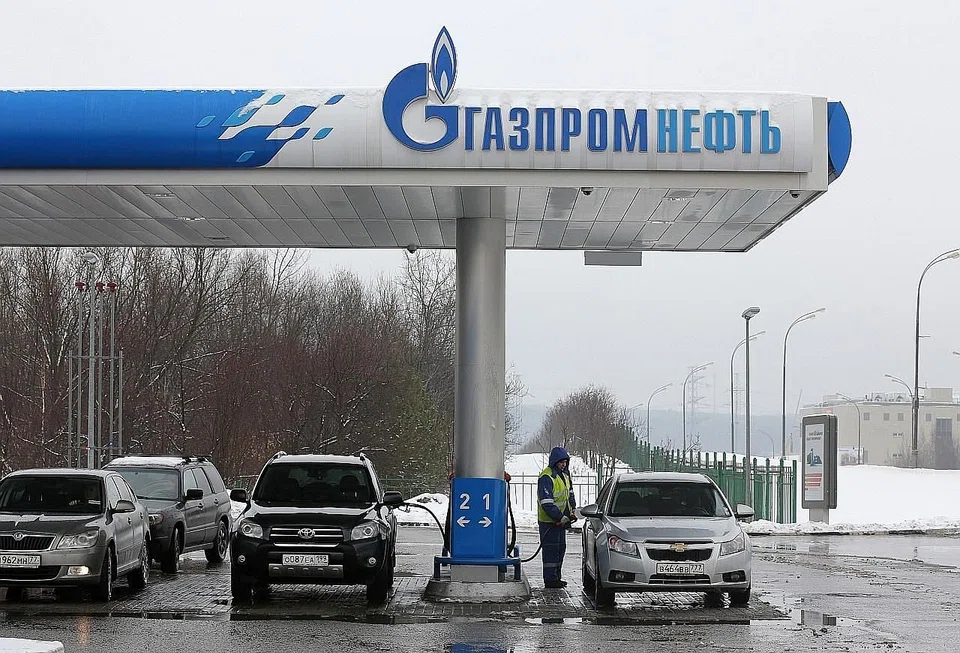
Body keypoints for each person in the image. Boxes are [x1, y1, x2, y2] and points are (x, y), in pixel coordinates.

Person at [537, 447, 577, 588]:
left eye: (565, 462)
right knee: (551, 551)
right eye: (561, 462)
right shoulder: (547, 477)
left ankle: (556, 577)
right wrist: (560, 517)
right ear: (555, 462)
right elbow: (546, 503)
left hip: (560, 522)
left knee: (560, 549)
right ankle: (550, 579)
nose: (564, 465)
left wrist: (572, 511)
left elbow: (569, 494)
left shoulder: (564, 475)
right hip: (549, 522)